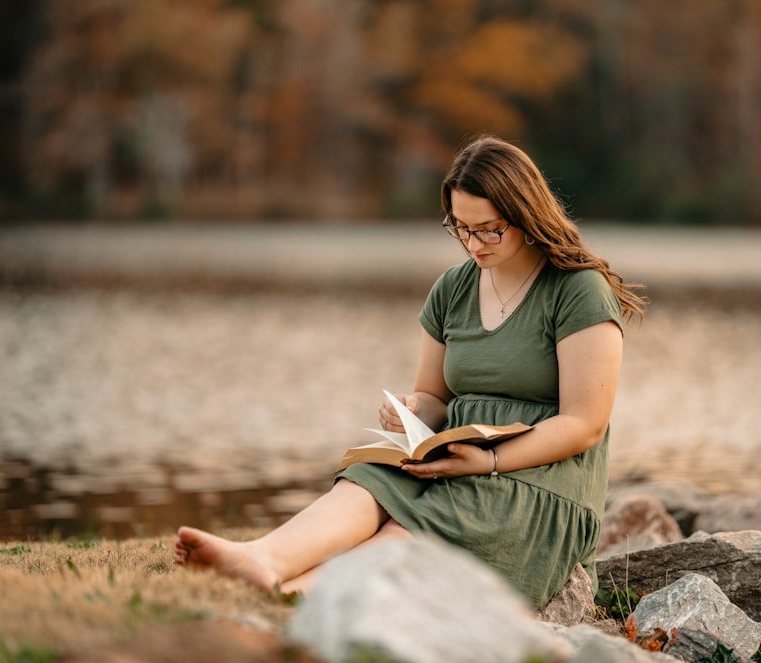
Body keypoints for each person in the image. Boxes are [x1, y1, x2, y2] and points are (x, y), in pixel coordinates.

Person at [174, 135, 646, 608]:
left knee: (414, 523)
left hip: (544, 479)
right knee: (375, 470)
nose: (472, 243)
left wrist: (491, 461)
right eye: (459, 227)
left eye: (488, 229)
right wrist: (412, 409)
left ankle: (293, 596)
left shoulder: (577, 289)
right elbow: (434, 398)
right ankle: (263, 558)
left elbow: (584, 425)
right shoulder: (452, 288)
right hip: (461, 456)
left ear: (526, 215)